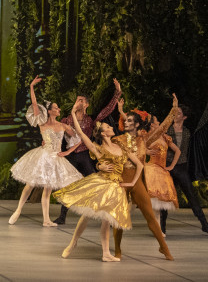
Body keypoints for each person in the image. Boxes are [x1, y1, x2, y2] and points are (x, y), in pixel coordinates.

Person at [53, 98, 144, 262]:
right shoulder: (100, 149)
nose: (111, 127)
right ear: (104, 133)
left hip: (116, 187)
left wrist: (131, 182)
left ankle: (105, 253)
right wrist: (73, 112)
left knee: (107, 220)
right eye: (108, 127)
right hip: (101, 183)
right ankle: (72, 243)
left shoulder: (121, 147)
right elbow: (81, 134)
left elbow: (139, 165)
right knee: (87, 215)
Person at [109, 93, 179, 261]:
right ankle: (117, 250)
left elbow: (162, 128)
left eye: (130, 121)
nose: (126, 123)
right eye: (125, 121)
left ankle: (164, 247)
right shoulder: (118, 140)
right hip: (122, 182)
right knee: (119, 218)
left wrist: (174, 109)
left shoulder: (144, 140)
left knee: (150, 216)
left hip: (137, 182)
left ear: (138, 124)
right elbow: (106, 154)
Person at [7, 76, 81, 226]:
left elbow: (79, 139)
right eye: (56, 108)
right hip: (43, 156)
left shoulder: (63, 126)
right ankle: (18, 210)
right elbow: (34, 104)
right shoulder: (42, 122)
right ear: (49, 111)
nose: (59, 109)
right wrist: (32, 87)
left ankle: (46, 220)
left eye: (58, 108)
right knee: (30, 185)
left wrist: (67, 152)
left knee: (48, 190)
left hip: (55, 158)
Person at [55, 78, 123, 225]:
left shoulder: (91, 119)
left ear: (86, 104)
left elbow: (106, 111)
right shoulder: (67, 119)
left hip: (85, 155)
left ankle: (108, 215)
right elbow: (57, 133)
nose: (78, 103)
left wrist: (117, 93)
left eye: (81, 101)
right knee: (68, 185)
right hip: (71, 156)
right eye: (77, 100)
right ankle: (62, 216)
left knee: (96, 181)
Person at [164, 86, 208, 237]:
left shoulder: (187, 132)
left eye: (178, 113)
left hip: (182, 168)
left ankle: (205, 225)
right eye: (175, 113)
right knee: (166, 199)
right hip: (168, 167)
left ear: (184, 117)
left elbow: (204, 120)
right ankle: (162, 228)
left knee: (192, 197)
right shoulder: (167, 130)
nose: (176, 115)